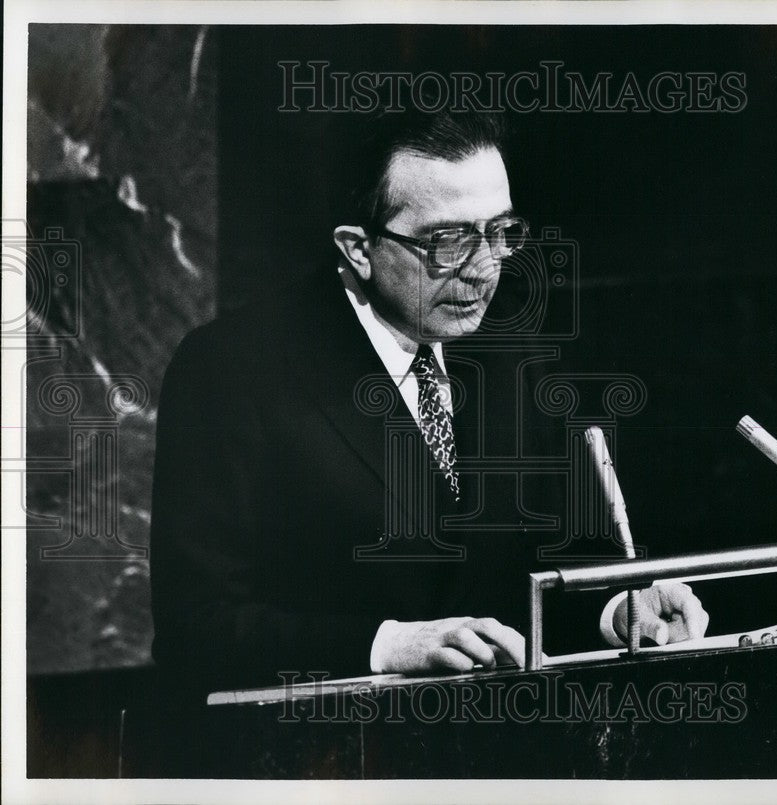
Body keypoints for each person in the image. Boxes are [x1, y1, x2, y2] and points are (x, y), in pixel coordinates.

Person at [149, 107, 708, 693]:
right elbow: (197, 630)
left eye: (501, 233)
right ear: (358, 249)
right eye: (449, 242)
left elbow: (540, 569)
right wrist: (387, 645)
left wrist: (614, 609)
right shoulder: (233, 368)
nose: (484, 270)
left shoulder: (511, 350)